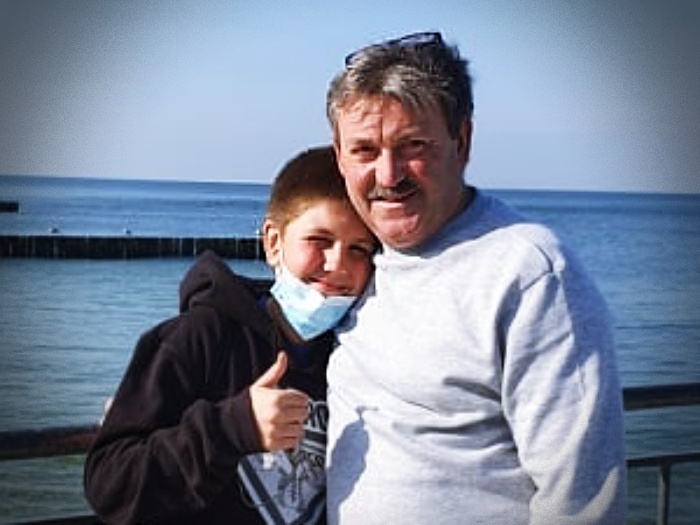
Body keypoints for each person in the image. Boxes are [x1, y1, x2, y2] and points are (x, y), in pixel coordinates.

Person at [324, 31, 627, 524]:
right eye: (365, 150)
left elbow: (582, 499)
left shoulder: (529, 273)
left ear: (461, 142)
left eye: (413, 146)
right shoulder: (352, 260)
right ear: (339, 157)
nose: (388, 174)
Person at [83, 145, 377, 525]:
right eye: (319, 240)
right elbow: (110, 484)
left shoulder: (353, 353)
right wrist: (233, 427)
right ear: (273, 242)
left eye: (359, 249)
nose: (337, 263)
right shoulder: (199, 338)